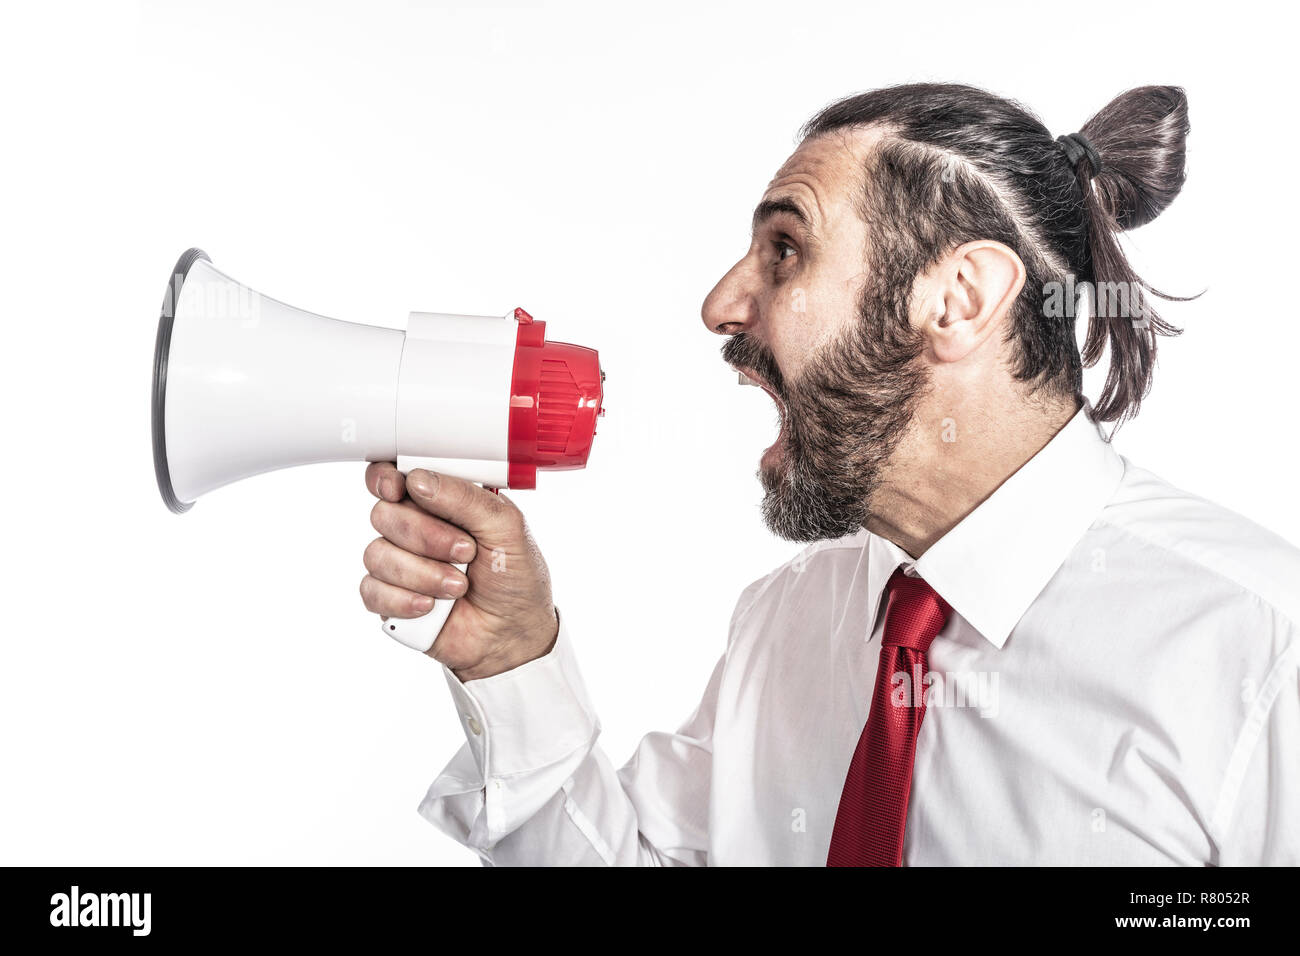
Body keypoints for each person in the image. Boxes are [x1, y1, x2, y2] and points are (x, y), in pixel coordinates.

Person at [358, 83, 1299, 865]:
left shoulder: (1258, 653)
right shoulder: (790, 621)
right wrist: (511, 662)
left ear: (958, 298)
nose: (721, 304)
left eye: (785, 250)